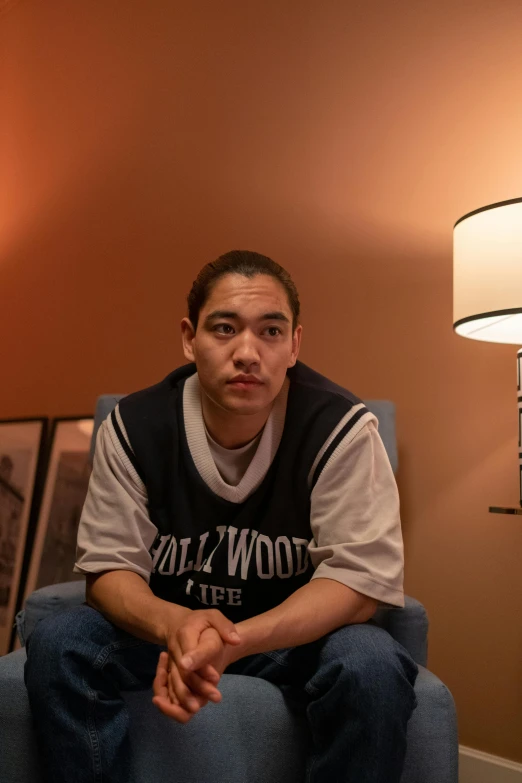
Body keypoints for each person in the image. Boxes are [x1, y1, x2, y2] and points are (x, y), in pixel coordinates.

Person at [24, 249, 418, 783]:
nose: (248, 352)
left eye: (271, 332)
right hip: (169, 634)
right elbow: (108, 570)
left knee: (372, 664)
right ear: (190, 338)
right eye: (225, 328)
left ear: (295, 344)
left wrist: (235, 641)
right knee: (59, 641)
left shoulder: (341, 429)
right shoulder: (135, 427)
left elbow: (356, 584)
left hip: (292, 640)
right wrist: (178, 625)